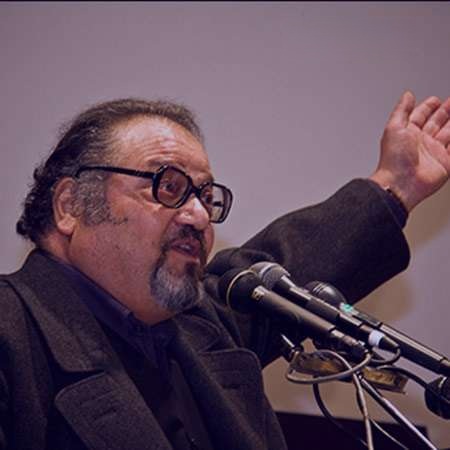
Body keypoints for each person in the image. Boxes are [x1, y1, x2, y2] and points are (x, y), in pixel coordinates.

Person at [0, 91, 449, 450]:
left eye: (205, 195)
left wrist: (397, 186)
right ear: (71, 205)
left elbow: (292, 263)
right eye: (169, 187)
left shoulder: (201, 328)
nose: (198, 215)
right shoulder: (11, 333)